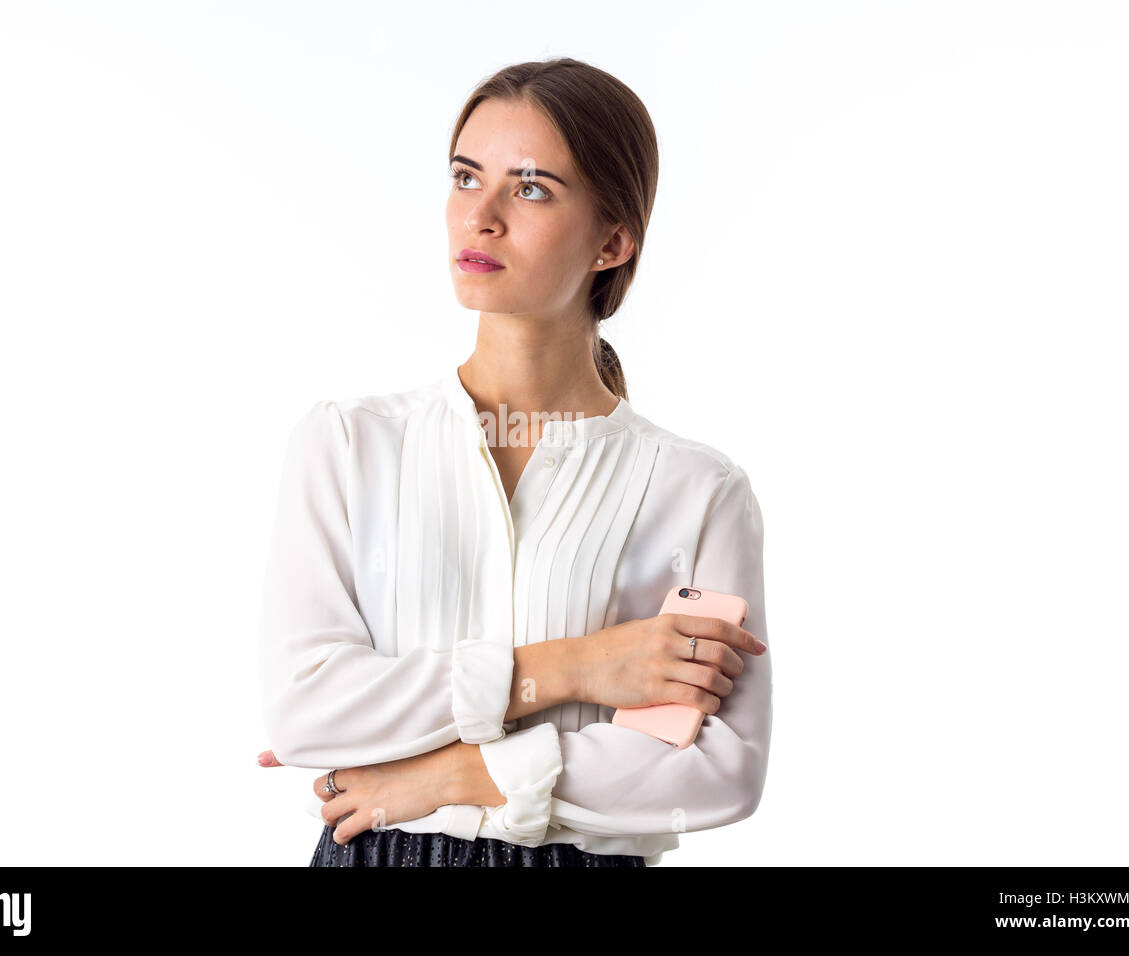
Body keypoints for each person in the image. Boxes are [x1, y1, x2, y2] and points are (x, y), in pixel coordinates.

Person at [255, 57, 772, 867]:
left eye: (530, 188)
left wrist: (455, 773)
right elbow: (306, 710)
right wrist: (574, 668)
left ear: (613, 240)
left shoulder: (697, 493)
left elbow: (717, 769)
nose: (480, 216)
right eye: (466, 178)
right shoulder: (348, 446)